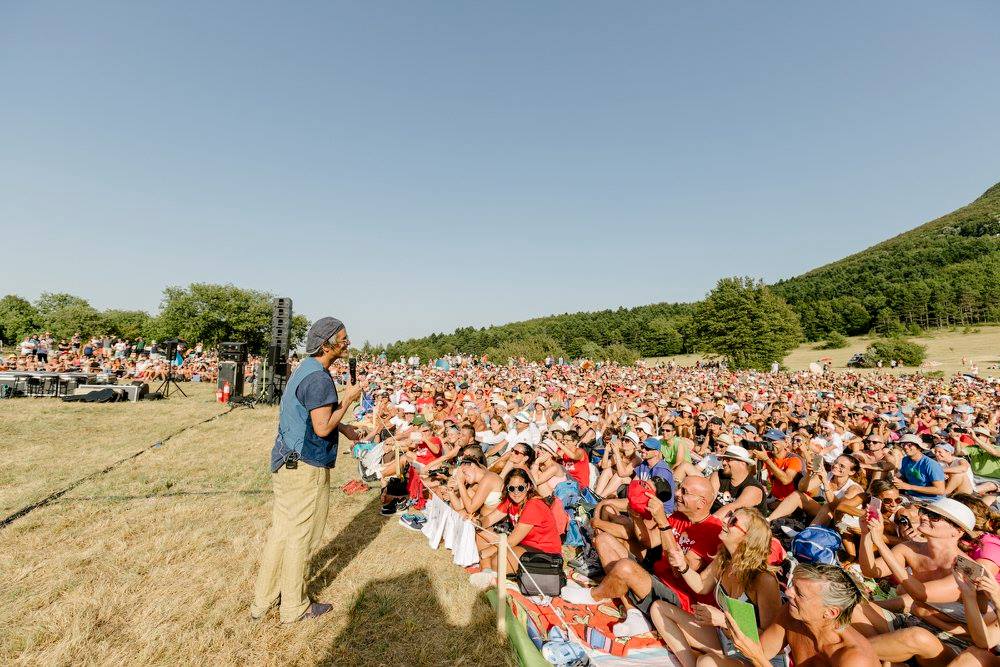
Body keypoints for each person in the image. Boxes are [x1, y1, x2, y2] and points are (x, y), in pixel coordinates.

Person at [251, 317, 366, 624]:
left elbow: (313, 415)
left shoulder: (306, 369)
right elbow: (321, 426)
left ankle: (263, 601)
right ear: (326, 344)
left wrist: (345, 428)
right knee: (301, 537)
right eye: (343, 338)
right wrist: (348, 400)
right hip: (305, 468)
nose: (347, 343)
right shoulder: (320, 380)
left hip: (286, 461)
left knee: (282, 532)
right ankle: (294, 607)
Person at [649, 508, 782, 667]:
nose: (724, 520)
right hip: (727, 639)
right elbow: (701, 586)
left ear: (747, 538)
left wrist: (724, 621)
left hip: (756, 658)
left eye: (733, 521)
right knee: (659, 609)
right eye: (729, 515)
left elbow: (767, 645)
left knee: (706, 663)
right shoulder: (725, 559)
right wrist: (683, 565)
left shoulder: (764, 580)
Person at [712, 563, 880, 667]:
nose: (788, 592)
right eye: (792, 585)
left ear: (830, 612)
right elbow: (762, 651)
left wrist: (757, 657)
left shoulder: (854, 659)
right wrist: (730, 625)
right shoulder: (792, 614)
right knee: (708, 663)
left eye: (799, 593)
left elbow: (757, 656)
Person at [895, 433, 946, 502]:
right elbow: (903, 477)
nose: (905, 447)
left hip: (930, 500)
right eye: (903, 444)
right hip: (911, 495)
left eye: (909, 445)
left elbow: (940, 490)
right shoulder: (905, 460)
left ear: (919, 447)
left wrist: (909, 487)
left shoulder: (930, 464)